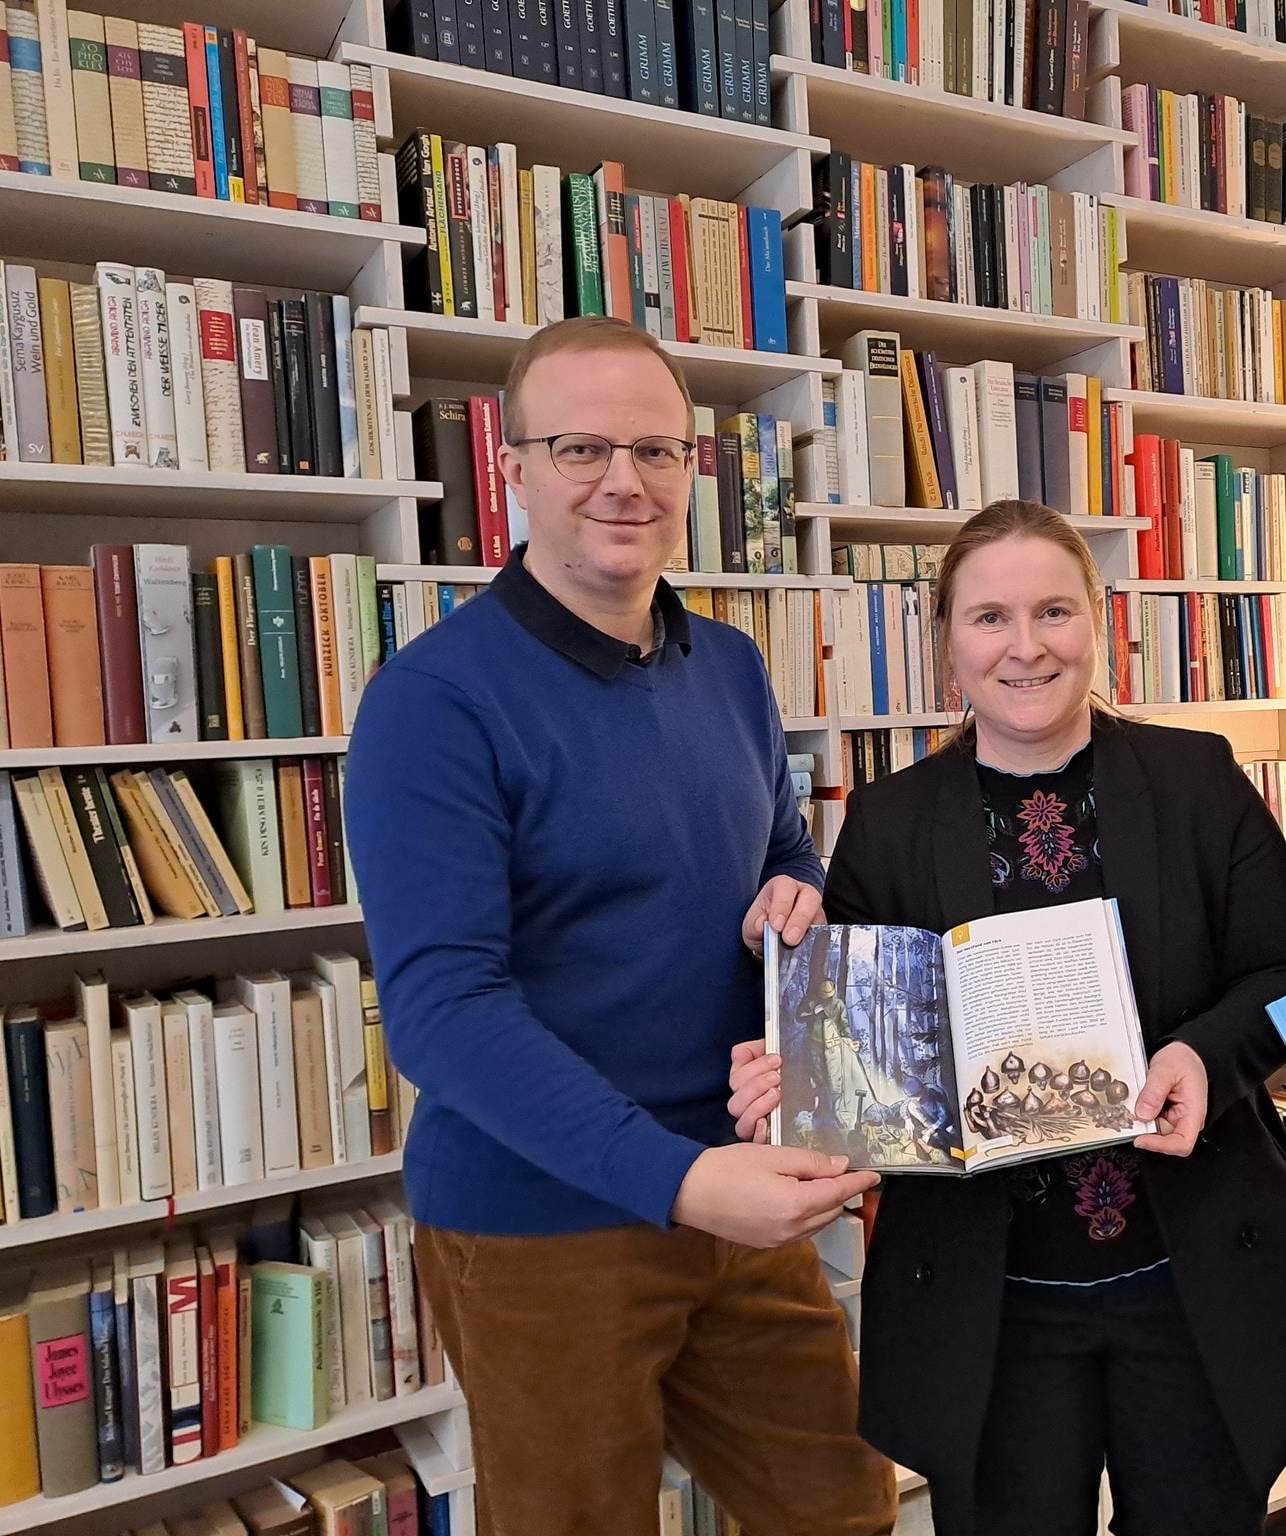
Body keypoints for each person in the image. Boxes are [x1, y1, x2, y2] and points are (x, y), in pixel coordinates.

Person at [346, 316, 896, 1536]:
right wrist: (682, 1181)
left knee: (840, 1508)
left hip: (743, 1189)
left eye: (656, 450)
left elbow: (778, 854)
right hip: (543, 1221)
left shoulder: (734, 667)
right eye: (580, 446)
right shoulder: (432, 702)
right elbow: (441, 1017)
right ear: (512, 468)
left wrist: (794, 897)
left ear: (693, 470)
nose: (621, 481)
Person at [729, 501, 1286, 1536]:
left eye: (1053, 611)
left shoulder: (1195, 780)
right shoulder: (889, 821)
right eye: (989, 618)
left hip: (1191, 1280)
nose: (1025, 646)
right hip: (990, 1302)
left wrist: (1200, 1054)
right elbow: (875, 1058)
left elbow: (1285, 975)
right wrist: (801, 1081)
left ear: (1098, 622)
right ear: (947, 644)